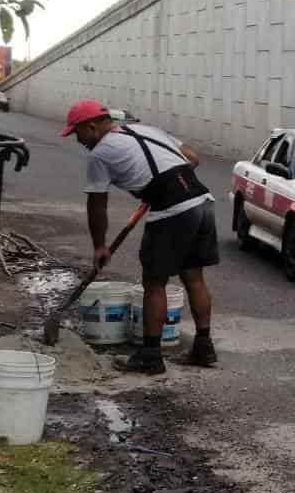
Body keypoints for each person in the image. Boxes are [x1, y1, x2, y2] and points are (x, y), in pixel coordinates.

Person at [61, 100, 218, 373]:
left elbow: (97, 204)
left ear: (93, 126)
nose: (78, 140)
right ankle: (204, 348)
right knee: (193, 277)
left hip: (174, 210)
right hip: (202, 202)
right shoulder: (149, 130)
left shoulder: (100, 154)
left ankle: (150, 356)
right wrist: (163, 181)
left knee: (154, 283)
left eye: (78, 132)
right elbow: (193, 158)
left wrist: (100, 246)